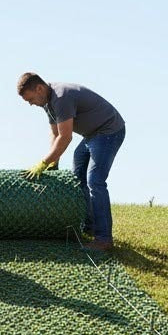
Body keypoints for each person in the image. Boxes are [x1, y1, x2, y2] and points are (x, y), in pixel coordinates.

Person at [17, 73, 125, 251]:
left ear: (39, 88)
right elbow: (56, 134)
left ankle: (104, 239)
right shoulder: (47, 102)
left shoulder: (61, 97)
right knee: (78, 177)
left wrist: (43, 163)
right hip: (92, 135)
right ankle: (89, 226)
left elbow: (66, 137)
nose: (30, 104)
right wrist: (54, 163)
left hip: (108, 131)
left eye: (30, 99)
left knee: (95, 181)